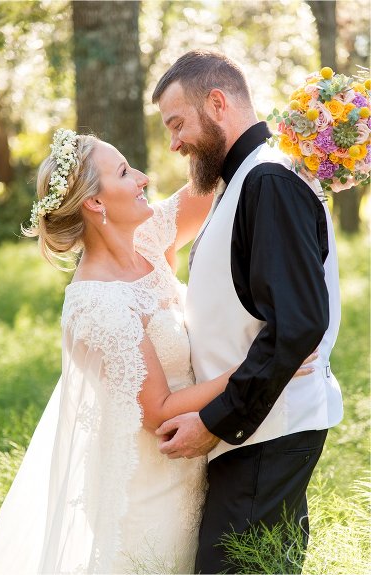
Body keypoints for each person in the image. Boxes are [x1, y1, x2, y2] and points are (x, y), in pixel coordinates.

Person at [0, 129, 317, 574]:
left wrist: (309, 133)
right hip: (156, 483)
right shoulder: (97, 302)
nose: (142, 177)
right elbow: (158, 410)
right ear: (96, 204)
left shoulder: (147, 238)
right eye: (124, 172)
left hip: (207, 460)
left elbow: (221, 180)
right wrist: (266, 364)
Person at [151, 50, 343, 574]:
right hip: (255, 431)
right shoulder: (237, 183)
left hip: (266, 430)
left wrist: (215, 421)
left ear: (217, 103)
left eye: (177, 123)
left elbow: (299, 322)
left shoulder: (269, 179)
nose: (174, 143)